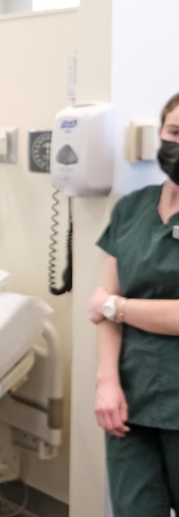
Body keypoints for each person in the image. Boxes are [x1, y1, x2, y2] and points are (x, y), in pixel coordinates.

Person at [88, 91, 179, 516]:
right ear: (160, 134)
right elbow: (102, 306)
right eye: (175, 132)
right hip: (129, 399)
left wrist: (118, 307)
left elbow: (108, 304)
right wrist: (107, 382)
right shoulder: (131, 209)